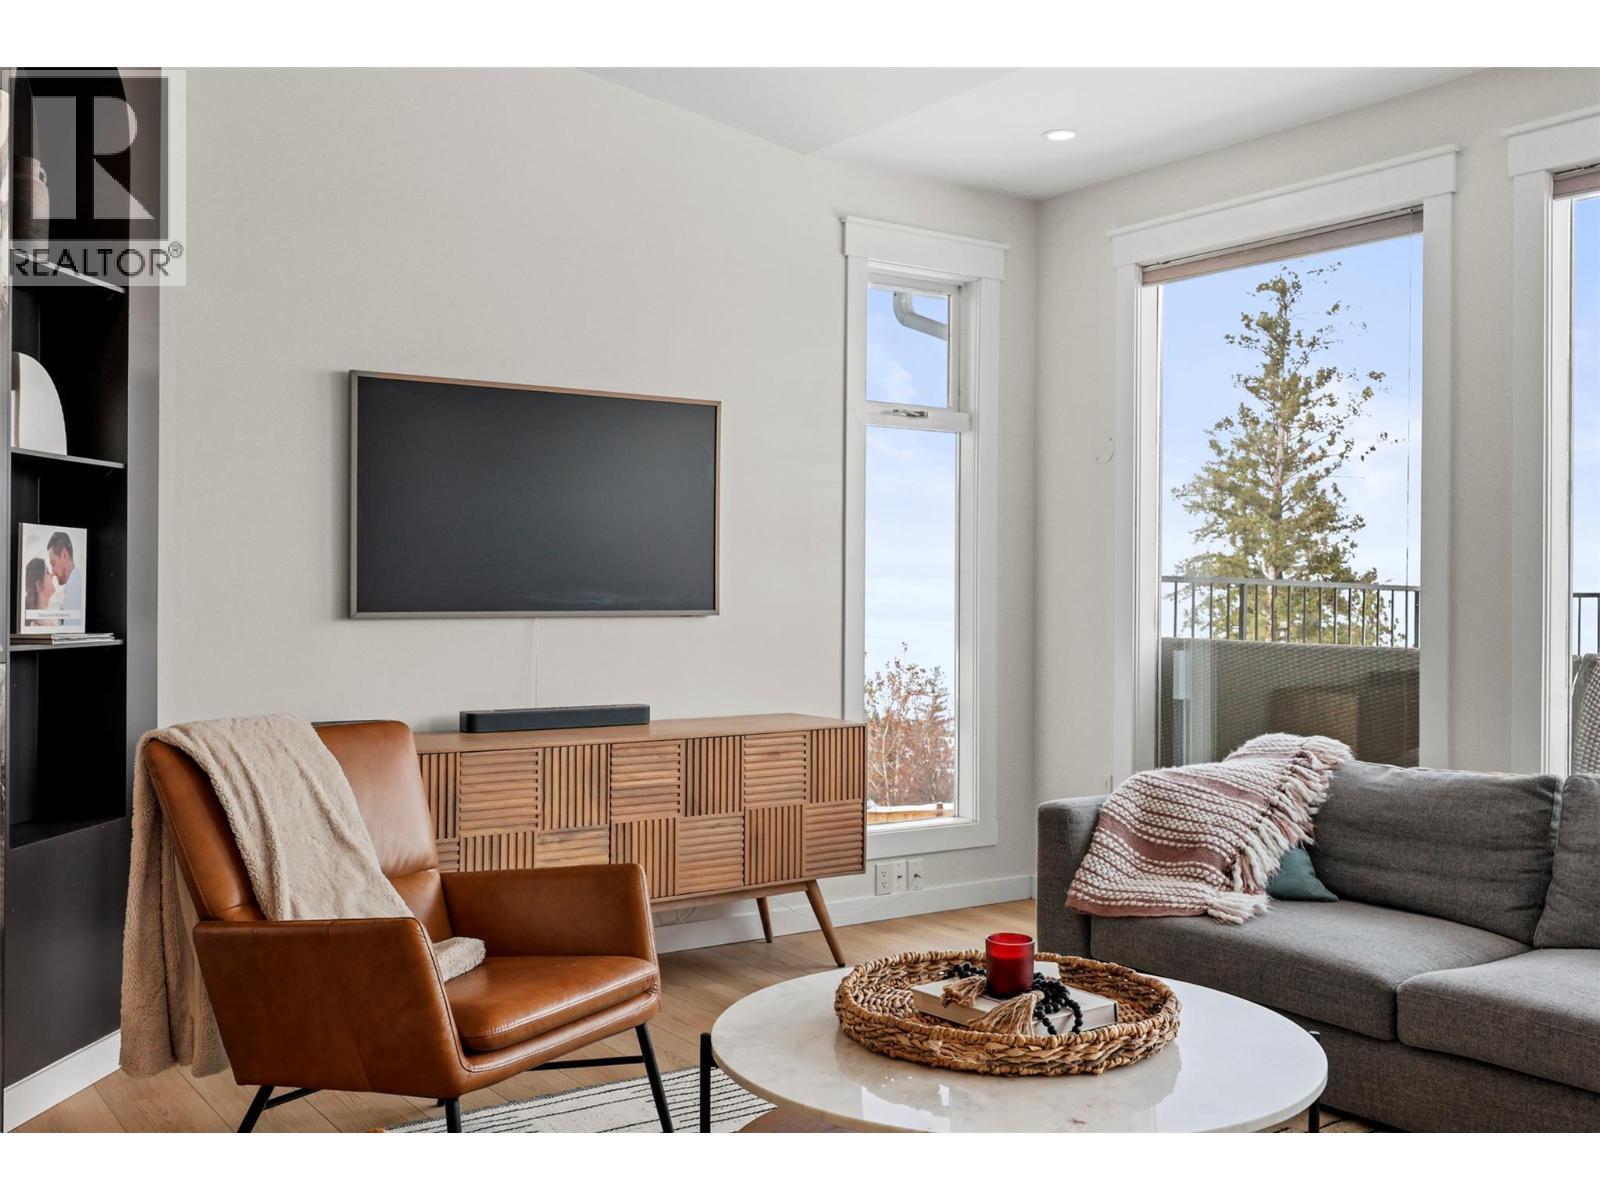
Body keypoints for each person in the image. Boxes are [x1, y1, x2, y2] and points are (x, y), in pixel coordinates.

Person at [47, 529, 83, 617]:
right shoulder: (73, 587)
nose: (53, 572)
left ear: (64, 554)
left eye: (53, 564)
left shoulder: (79, 590)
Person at [23, 556, 59, 625]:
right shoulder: (36, 624)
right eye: (47, 572)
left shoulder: (46, 620)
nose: (52, 575)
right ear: (38, 585)